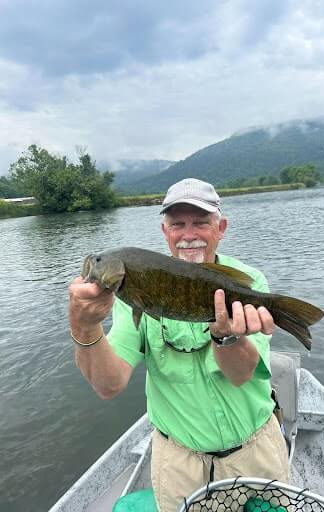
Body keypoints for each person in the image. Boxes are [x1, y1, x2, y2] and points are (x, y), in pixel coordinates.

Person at [69, 178, 289, 511]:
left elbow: (242, 374)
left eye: (201, 222)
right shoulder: (131, 295)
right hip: (179, 467)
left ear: (221, 228)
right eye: (177, 224)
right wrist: (85, 326)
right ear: (165, 231)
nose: (188, 234)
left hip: (256, 456)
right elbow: (109, 385)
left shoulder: (248, 282)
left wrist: (226, 334)